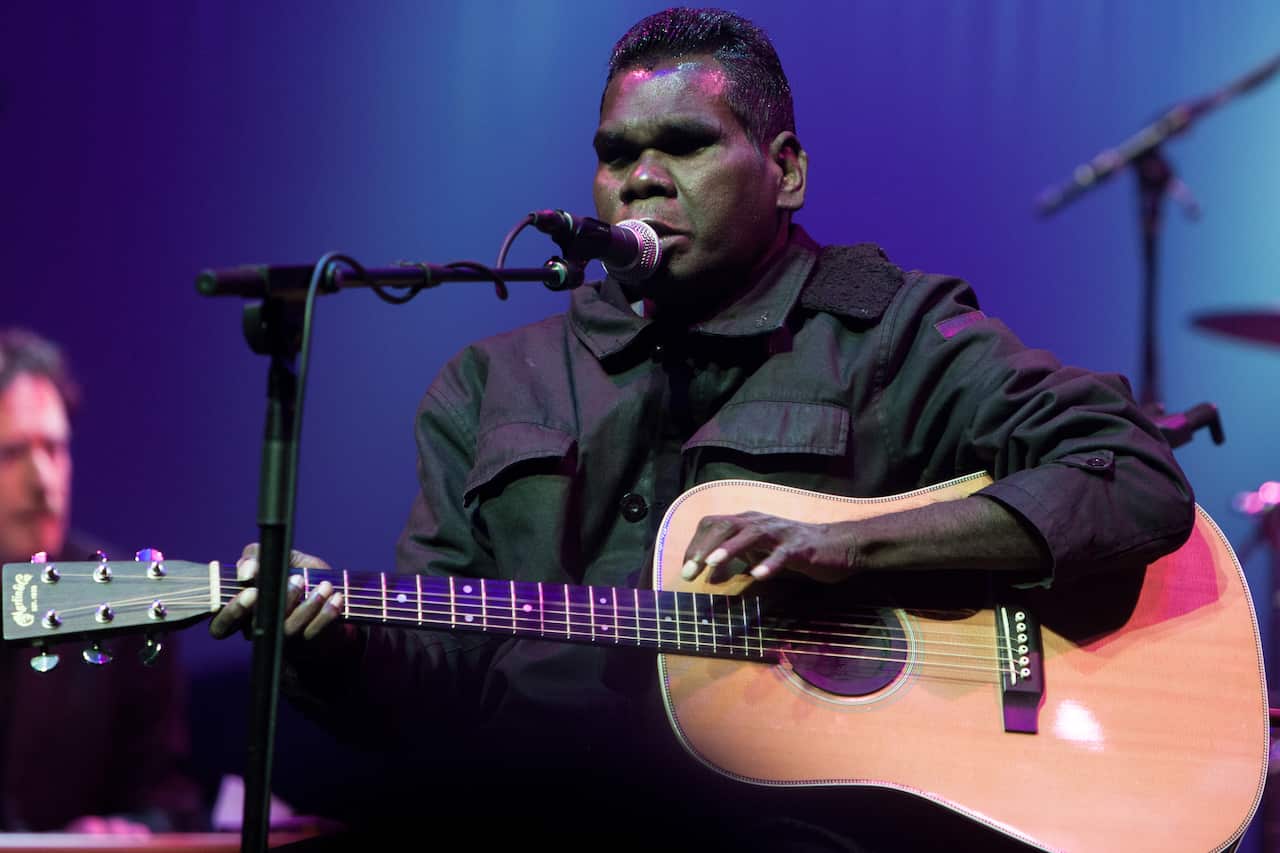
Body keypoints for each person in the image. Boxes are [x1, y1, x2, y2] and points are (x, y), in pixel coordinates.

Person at [210, 8, 1194, 850]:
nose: (639, 179)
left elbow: (1128, 473)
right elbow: (442, 687)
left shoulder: (887, 330)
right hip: (544, 819)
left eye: (682, 145)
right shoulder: (488, 383)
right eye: (613, 156)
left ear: (785, 171)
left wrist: (849, 544)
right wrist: (327, 649)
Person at [0, 328, 205, 833]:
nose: (42, 479)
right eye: (11, 454)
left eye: (55, 448)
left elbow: (171, 800)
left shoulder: (127, 597)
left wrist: (127, 828)